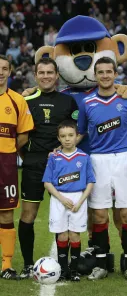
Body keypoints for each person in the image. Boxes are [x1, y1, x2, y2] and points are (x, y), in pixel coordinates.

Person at [77, 57, 127, 281]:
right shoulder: (87, 102)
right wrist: (61, 149)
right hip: (98, 160)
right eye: (101, 72)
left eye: (109, 72)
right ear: (95, 75)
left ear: (115, 73)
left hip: (125, 160)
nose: (105, 76)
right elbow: (80, 132)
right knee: (99, 215)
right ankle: (101, 263)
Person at [19, 57, 79, 279]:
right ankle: (27, 265)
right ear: (35, 76)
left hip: (61, 166)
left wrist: (61, 154)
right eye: (41, 73)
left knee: (64, 215)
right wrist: (30, 156)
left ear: (57, 76)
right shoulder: (25, 100)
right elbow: (20, 137)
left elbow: (75, 132)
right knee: (28, 214)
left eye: (49, 72)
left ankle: (66, 265)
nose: (46, 76)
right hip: (34, 164)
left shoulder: (68, 102)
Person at [43, 120, 95, 281]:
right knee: (62, 235)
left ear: (77, 136)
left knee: (75, 235)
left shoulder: (84, 157)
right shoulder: (54, 158)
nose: (67, 139)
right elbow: (47, 182)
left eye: (70, 135)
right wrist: (61, 198)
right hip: (60, 199)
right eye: (63, 136)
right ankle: (63, 269)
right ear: (58, 138)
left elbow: (90, 182)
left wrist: (80, 202)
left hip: (78, 198)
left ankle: (74, 270)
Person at [0, 54, 34, 279]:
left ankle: (7, 264)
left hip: (6, 163)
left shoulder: (18, 101)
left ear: (10, 72)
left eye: (4, 68)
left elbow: (23, 135)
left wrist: (9, 148)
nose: (0, 71)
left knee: (5, 212)